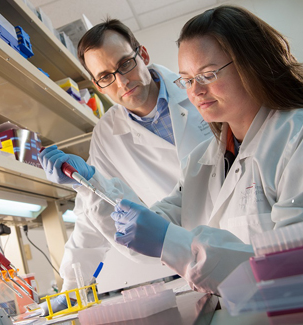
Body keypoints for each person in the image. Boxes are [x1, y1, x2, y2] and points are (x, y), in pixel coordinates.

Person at [49, 5, 303, 294]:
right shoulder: (208, 159)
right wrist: (91, 184)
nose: (196, 91)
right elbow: (147, 222)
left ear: (252, 64)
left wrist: (173, 244)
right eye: (187, 80)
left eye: (208, 75)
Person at [38, 19, 212, 311]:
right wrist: (71, 289)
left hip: (248, 230)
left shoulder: (196, 89)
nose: (121, 82)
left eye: (125, 64)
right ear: (97, 85)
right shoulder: (106, 135)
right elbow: (88, 221)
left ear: (142, 55)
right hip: (190, 258)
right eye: (105, 76)